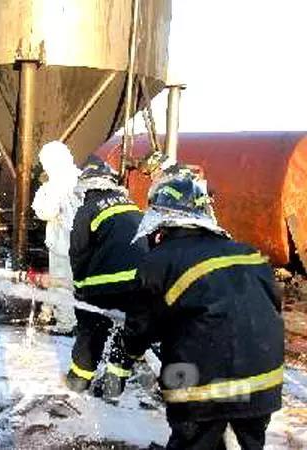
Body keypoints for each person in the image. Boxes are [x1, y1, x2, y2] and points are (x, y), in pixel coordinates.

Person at [123, 167, 283, 449]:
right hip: (262, 383)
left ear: (161, 224)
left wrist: (130, 351)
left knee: (194, 440)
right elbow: (272, 304)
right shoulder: (248, 253)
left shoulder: (159, 261)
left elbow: (141, 324)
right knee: (247, 442)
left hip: (200, 388)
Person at [65, 154, 149, 394]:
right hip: (141, 282)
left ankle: (78, 380)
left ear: (86, 186)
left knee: (91, 328)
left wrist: (79, 290)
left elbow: (79, 252)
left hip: (104, 284)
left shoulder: (88, 209)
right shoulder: (132, 206)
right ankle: (114, 385)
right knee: (126, 330)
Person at [31, 141, 82, 329]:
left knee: (61, 283)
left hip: (62, 242)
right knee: (67, 281)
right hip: (79, 242)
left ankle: (66, 324)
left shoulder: (55, 185)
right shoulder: (79, 178)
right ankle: (47, 311)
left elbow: (46, 212)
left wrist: (42, 192)